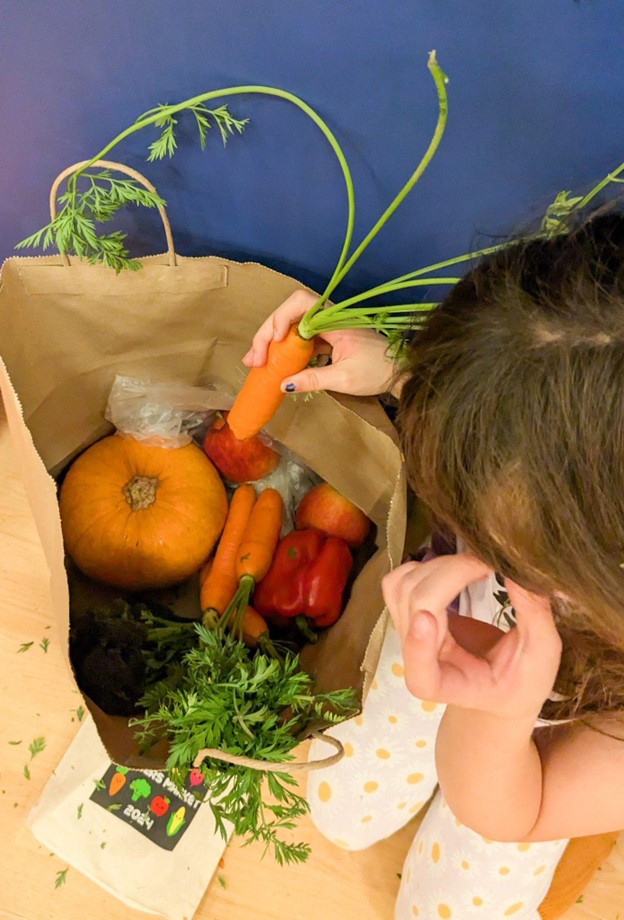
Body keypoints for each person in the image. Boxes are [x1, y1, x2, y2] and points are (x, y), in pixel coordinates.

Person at [244, 214, 624, 919]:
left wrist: (500, 715)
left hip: (543, 740)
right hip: (467, 641)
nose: (469, 542)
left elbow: (520, 811)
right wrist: (395, 369)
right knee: (340, 808)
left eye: (501, 543)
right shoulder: (578, 371)